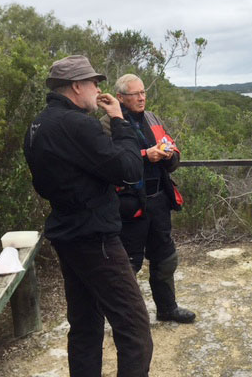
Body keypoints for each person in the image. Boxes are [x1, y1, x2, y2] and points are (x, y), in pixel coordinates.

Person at [23, 56, 152, 376]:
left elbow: (43, 183)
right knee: (135, 329)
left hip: (67, 233)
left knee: (85, 325)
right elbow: (130, 169)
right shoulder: (77, 124)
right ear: (77, 86)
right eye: (94, 83)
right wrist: (119, 120)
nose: (98, 89)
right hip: (96, 238)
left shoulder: (38, 125)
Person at [100, 74, 195, 324]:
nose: (141, 98)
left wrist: (169, 154)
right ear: (120, 98)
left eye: (143, 93)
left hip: (159, 200)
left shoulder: (153, 118)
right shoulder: (108, 124)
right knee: (128, 263)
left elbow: (172, 149)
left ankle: (167, 308)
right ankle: (127, 319)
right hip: (128, 206)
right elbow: (112, 162)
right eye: (135, 94)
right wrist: (145, 155)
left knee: (165, 256)